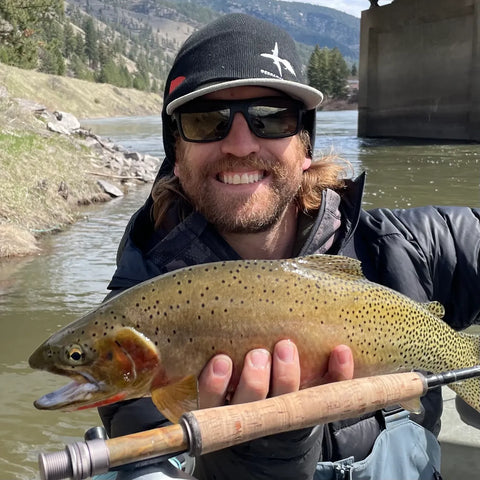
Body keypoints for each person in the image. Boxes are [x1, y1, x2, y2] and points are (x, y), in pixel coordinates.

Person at [98, 13, 480, 480]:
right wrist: (250, 467)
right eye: (205, 120)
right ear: (175, 154)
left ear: (305, 147)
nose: (240, 143)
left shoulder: (403, 249)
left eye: (271, 118)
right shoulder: (136, 321)